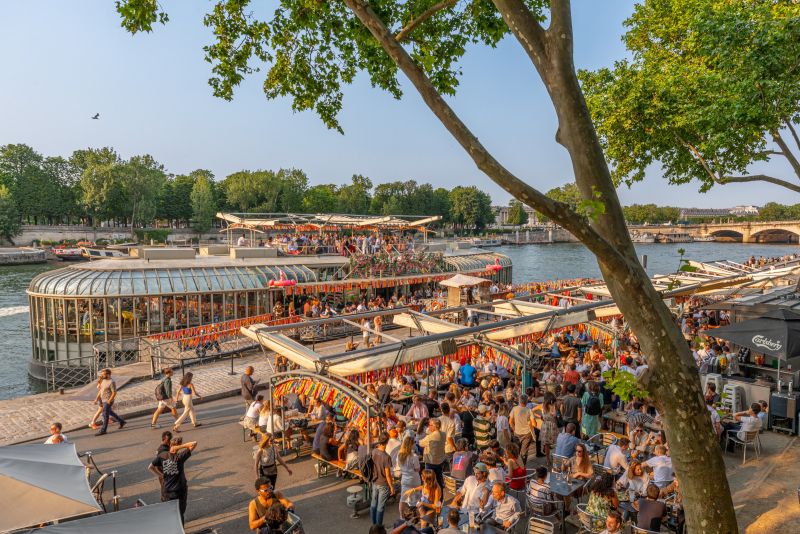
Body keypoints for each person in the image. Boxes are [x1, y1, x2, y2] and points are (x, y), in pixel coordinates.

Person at [149, 437, 197, 524]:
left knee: (168, 512)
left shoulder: (162, 456)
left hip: (166, 490)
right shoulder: (180, 457)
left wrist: (161, 475)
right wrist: (180, 447)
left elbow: (150, 467)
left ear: (170, 445)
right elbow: (194, 443)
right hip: (179, 490)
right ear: (178, 446)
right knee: (180, 513)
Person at [370, 432, 395, 527]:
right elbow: (388, 475)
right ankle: (378, 527)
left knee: (373, 504)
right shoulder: (386, 457)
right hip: (383, 483)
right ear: (387, 442)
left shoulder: (374, 451)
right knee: (380, 507)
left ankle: (374, 525)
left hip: (375, 481)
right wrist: (392, 487)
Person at [95, 368, 126, 436]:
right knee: (110, 412)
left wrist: (109, 401)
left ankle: (103, 430)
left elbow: (114, 392)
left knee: (105, 414)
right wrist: (96, 399)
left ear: (108, 375)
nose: (102, 376)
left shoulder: (112, 382)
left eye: (103, 374)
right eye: (102, 374)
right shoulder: (103, 380)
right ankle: (122, 421)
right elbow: (101, 390)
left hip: (108, 400)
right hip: (103, 400)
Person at [419, 418, 446, 489]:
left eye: (430, 425)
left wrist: (428, 433)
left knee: (429, 482)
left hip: (430, 462)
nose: (429, 427)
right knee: (439, 481)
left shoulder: (430, 437)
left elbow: (420, 443)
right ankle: (440, 498)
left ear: (434, 426)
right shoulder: (444, 434)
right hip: (440, 461)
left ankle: (431, 497)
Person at [509, 394, 535, 466]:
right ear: (526, 402)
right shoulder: (529, 410)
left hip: (517, 433)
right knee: (524, 453)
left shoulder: (514, 409)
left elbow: (510, 422)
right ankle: (523, 467)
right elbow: (534, 424)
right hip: (527, 434)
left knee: (516, 451)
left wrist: (514, 429)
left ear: (519, 401)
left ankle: (516, 466)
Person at [539, 393, 559, 462]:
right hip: (553, 425)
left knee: (546, 444)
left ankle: (547, 459)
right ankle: (556, 457)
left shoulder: (543, 406)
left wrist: (542, 417)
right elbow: (555, 416)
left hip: (545, 426)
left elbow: (542, 415)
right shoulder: (554, 406)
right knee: (556, 442)